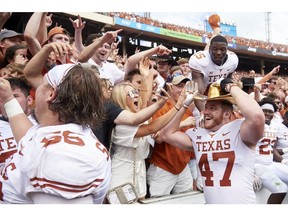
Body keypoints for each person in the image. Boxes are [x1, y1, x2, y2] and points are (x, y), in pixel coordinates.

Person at [0, 63, 111, 204]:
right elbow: (28, 139)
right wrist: (9, 99)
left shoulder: (63, 156)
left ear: (51, 94)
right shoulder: (59, 136)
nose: (37, 88)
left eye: (42, 84)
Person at [160, 78, 265, 204]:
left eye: (213, 108)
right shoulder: (198, 135)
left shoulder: (240, 131)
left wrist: (231, 87)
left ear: (227, 114)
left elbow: (257, 117)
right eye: (206, 107)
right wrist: (184, 104)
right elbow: (166, 134)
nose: (206, 112)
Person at [108, 82, 184, 200]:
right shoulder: (120, 125)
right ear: (121, 99)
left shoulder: (140, 118)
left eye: (136, 92)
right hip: (121, 175)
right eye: (131, 93)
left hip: (139, 172)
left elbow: (154, 126)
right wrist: (178, 106)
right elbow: (151, 128)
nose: (136, 95)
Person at [146, 75, 197, 198]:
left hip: (183, 167)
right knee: (158, 206)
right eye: (179, 86)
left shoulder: (188, 111)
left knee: (186, 203)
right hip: (163, 166)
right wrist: (183, 124)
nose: (183, 89)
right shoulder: (160, 106)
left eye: (185, 86)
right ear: (170, 87)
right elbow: (158, 138)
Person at [189, 35, 239, 111]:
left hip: (216, 93)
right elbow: (198, 95)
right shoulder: (200, 61)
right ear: (209, 49)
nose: (218, 53)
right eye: (215, 49)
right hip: (200, 95)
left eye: (222, 49)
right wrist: (204, 114)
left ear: (226, 50)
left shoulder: (232, 60)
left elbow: (226, 84)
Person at [254, 98, 288, 204]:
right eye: (264, 111)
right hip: (257, 165)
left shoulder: (273, 127)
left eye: (270, 112)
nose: (267, 113)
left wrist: (283, 161)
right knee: (281, 189)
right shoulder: (252, 125)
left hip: (270, 164)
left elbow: (271, 147)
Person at [0, 77, 34, 171]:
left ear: (29, 100)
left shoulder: (44, 122)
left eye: (14, 96)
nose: (7, 100)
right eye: (2, 98)